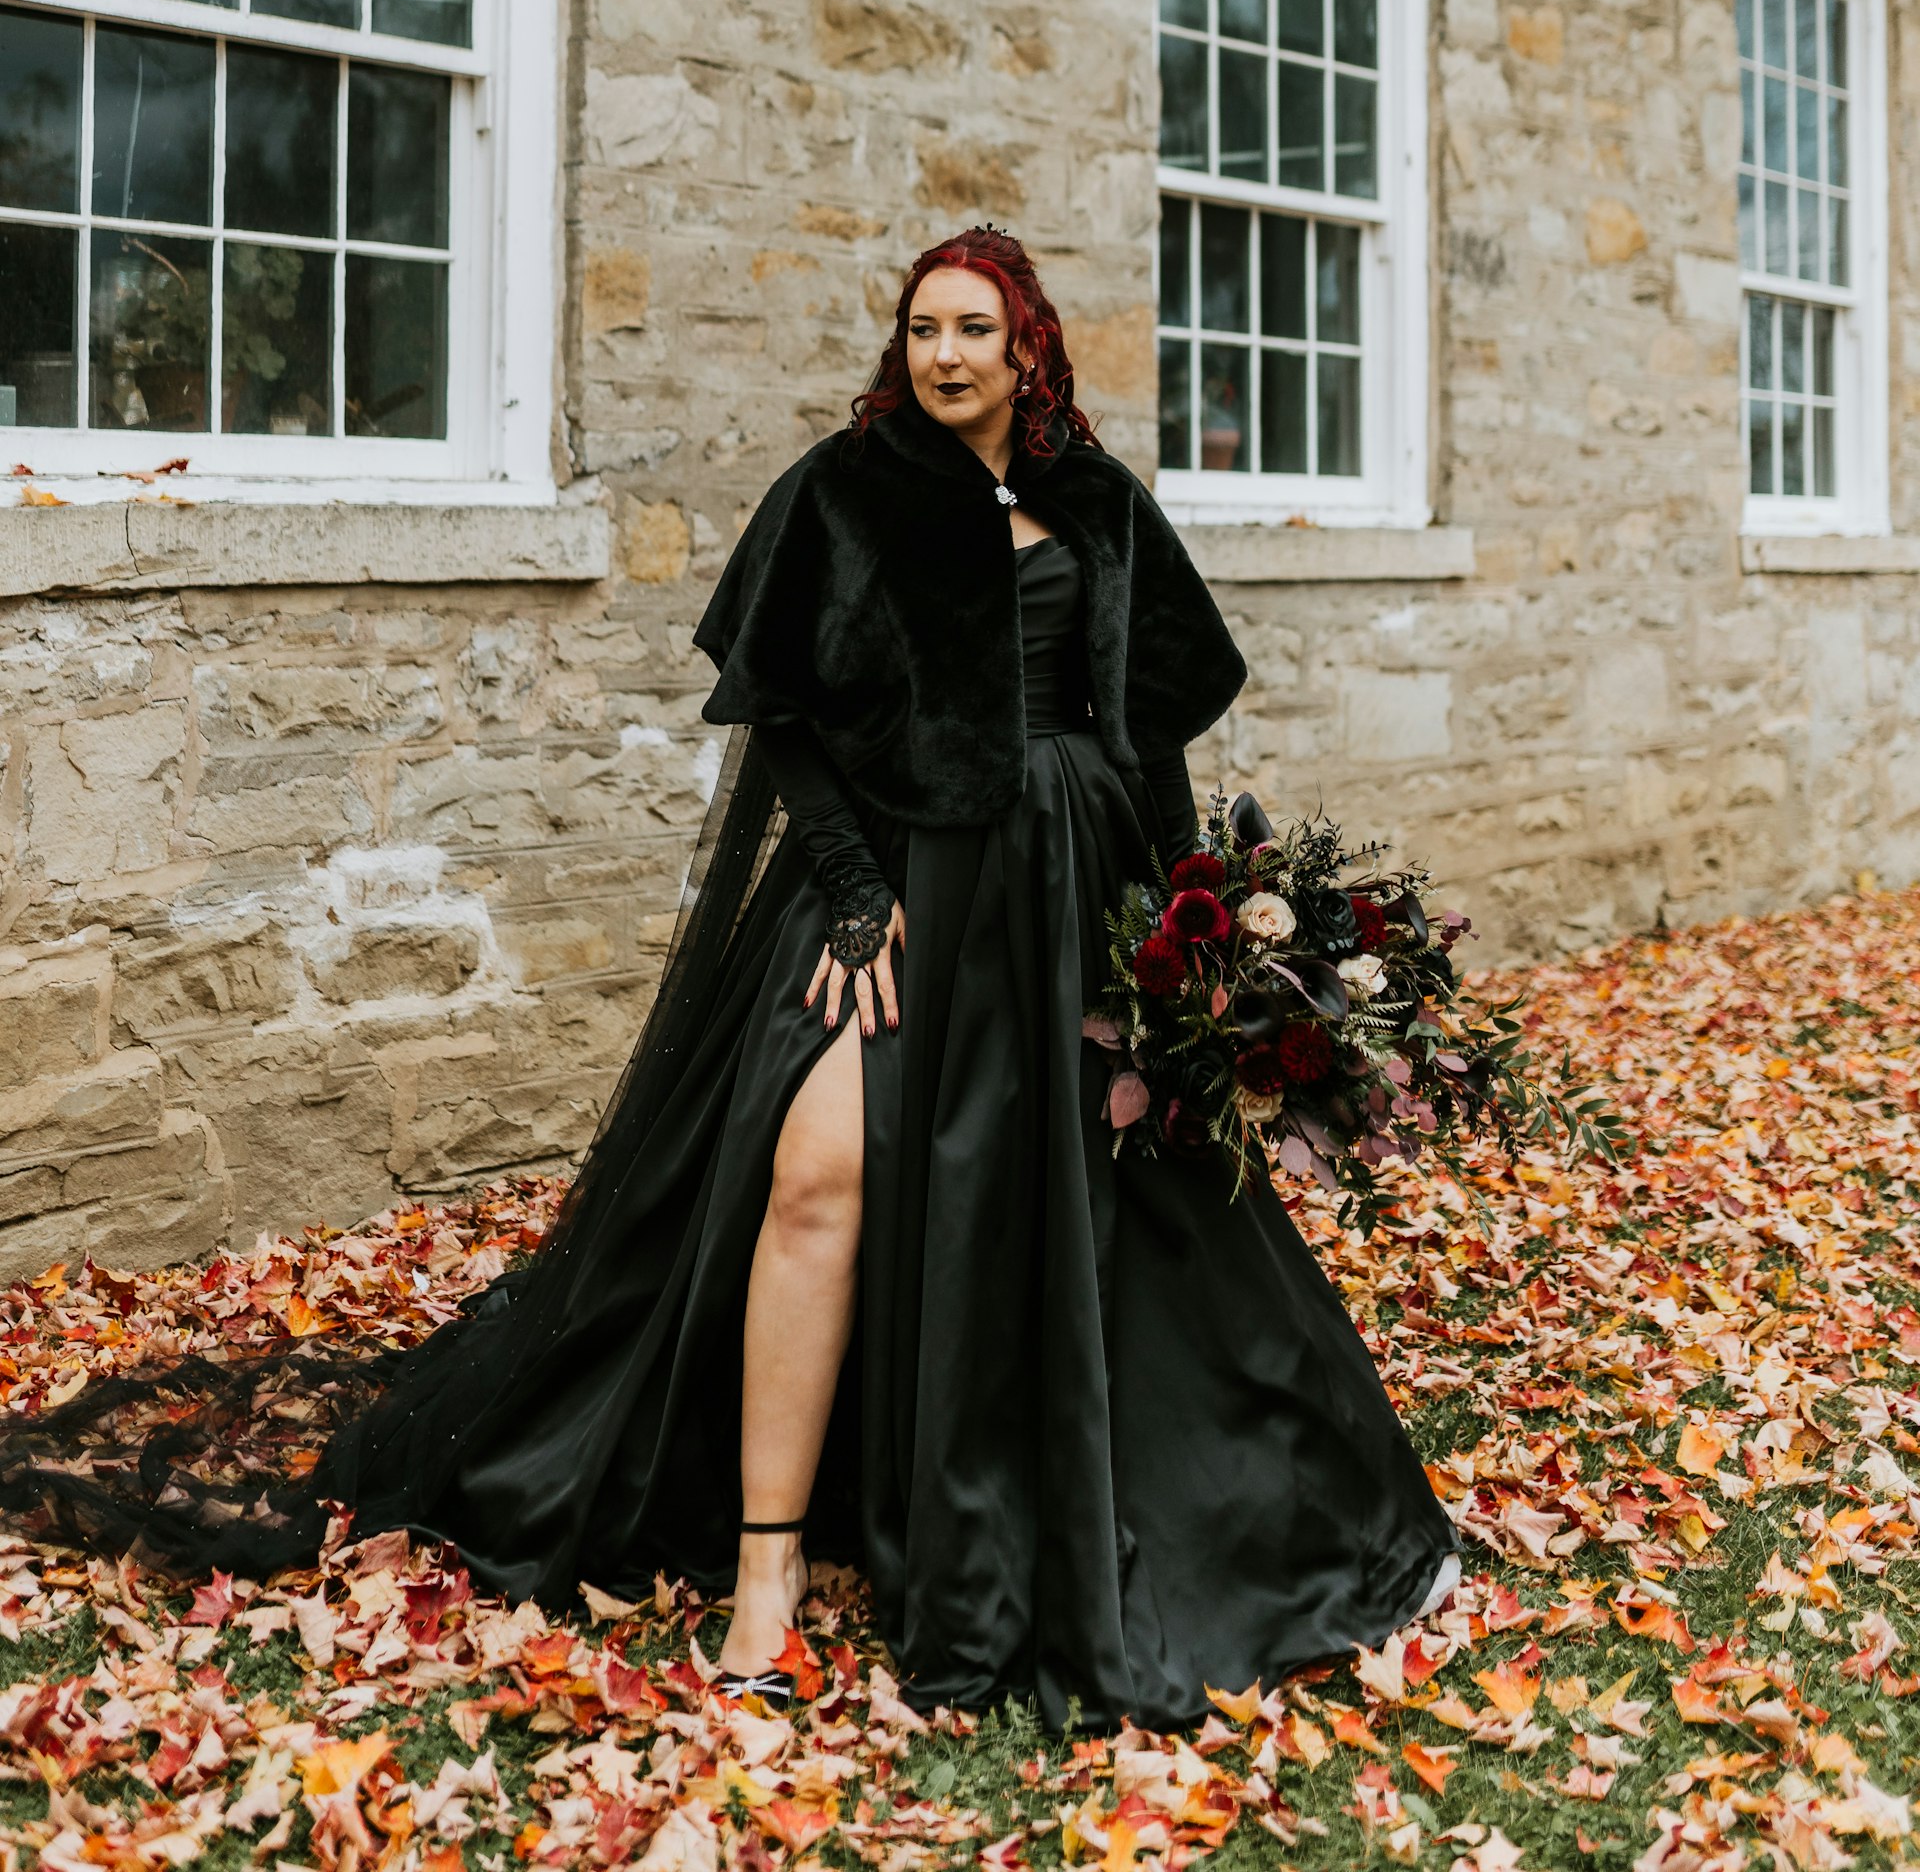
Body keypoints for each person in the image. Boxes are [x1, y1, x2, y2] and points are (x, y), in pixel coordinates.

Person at [0, 226, 1455, 1730]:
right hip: (893, 894)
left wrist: (1186, 932)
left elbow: (1151, 732)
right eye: (920, 329)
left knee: (1080, 1203)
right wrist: (845, 894)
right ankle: (766, 1567)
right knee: (818, 1175)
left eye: (973, 329)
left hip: (1068, 896)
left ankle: (1065, 1507)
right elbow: (788, 729)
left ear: (1030, 347)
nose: (944, 354)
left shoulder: (1100, 505)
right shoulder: (840, 498)